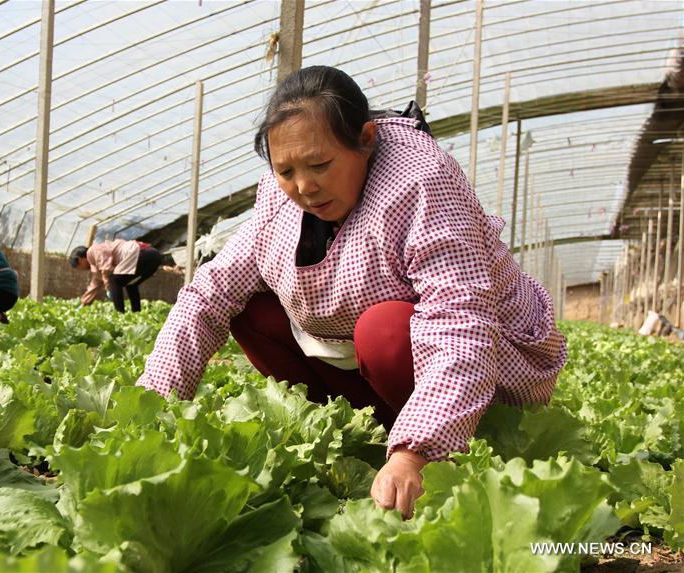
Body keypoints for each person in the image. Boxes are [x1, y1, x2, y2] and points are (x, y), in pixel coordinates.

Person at [136, 66, 567, 519]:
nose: (305, 187)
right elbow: (210, 292)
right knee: (253, 311)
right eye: (286, 171)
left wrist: (413, 454)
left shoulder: (421, 180)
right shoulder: (278, 199)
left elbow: (460, 319)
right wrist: (152, 402)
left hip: (488, 369)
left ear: (365, 139)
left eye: (320, 165)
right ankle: (371, 431)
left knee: (385, 331)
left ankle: (432, 443)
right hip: (368, 368)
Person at [69, 240, 162, 313]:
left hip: (143, 254)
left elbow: (106, 269)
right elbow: (95, 284)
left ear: (80, 259)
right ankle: (136, 312)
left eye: (79, 267)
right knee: (131, 284)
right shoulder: (95, 265)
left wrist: (108, 288)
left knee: (113, 280)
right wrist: (84, 303)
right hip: (153, 256)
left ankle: (119, 313)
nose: (81, 269)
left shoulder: (93, 250)